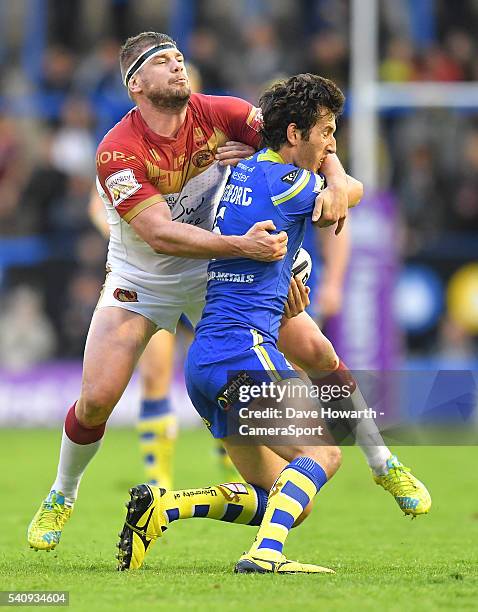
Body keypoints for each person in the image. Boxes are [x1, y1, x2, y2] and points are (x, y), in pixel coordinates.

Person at [28, 31, 429, 554]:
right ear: (135, 85)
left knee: (317, 350)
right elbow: (159, 233)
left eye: (179, 56)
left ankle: (383, 463)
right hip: (145, 277)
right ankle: (62, 493)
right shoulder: (116, 151)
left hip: (219, 268)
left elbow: (310, 136)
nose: (178, 65)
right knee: (97, 399)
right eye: (162, 61)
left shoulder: (224, 112)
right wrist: (243, 247)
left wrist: (333, 183)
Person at [116, 73, 360, 574]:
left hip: (205, 361)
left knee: (286, 499)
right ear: (294, 135)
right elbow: (351, 192)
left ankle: (165, 507)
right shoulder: (289, 181)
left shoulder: (237, 174)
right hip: (245, 350)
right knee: (325, 453)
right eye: (327, 132)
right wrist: (337, 183)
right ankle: (266, 554)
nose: (331, 144)